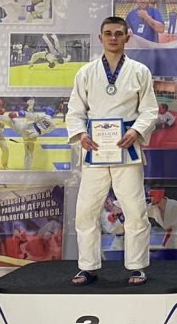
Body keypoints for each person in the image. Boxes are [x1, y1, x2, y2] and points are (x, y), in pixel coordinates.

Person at [66, 16, 158, 286]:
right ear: (101, 38)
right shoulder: (86, 73)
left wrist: (136, 131)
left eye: (118, 33)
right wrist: (81, 134)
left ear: (127, 37)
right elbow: (75, 110)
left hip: (126, 150)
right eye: (108, 33)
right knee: (86, 211)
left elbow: (150, 110)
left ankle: (137, 266)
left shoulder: (140, 71)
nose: (113, 38)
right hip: (95, 151)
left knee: (135, 210)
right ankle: (88, 266)